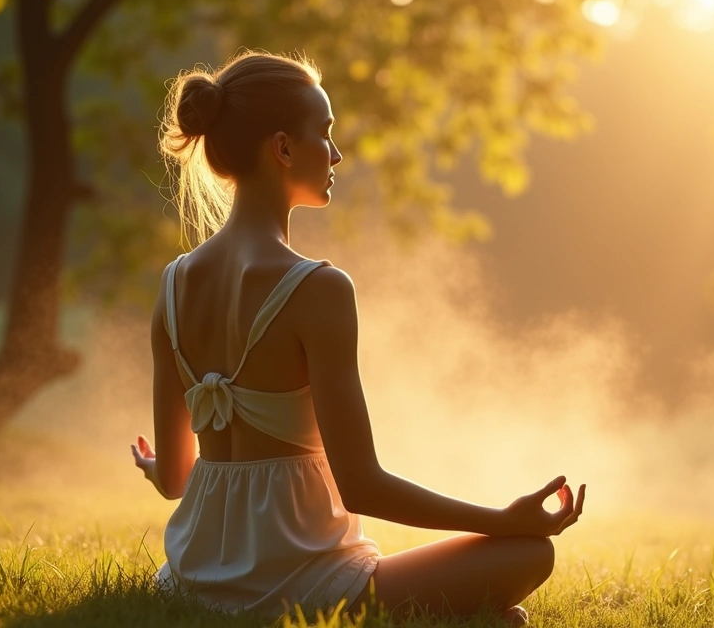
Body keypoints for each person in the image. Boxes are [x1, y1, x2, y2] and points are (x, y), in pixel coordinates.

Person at [130, 50, 586, 626]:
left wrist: (156, 466)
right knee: (528, 554)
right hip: (304, 588)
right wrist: (502, 520)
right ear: (283, 148)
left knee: (501, 611)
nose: (337, 153)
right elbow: (363, 487)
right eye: (324, 133)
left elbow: (175, 481)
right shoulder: (317, 288)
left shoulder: (173, 287)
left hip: (192, 581)